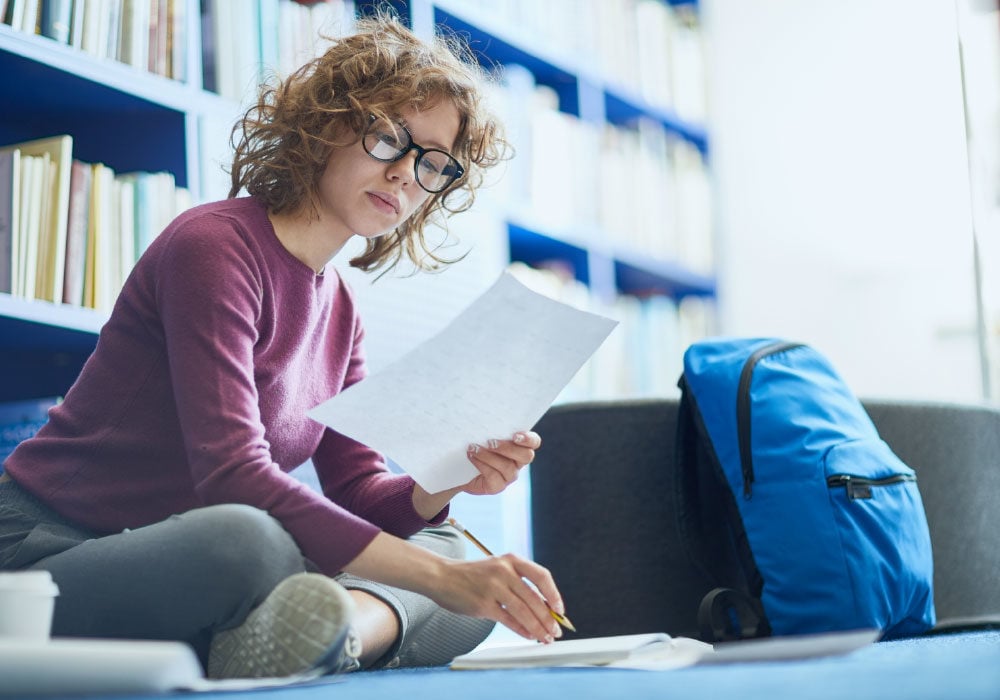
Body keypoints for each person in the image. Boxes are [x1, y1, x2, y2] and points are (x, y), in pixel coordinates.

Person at [0, 12, 566, 679]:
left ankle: (333, 634)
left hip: (182, 566)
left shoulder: (341, 306)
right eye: (389, 138)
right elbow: (232, 477)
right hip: (47, 557)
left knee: (455, 553)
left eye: (433, 164)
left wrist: (443, 482)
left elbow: (356, 488)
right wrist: (437, 581)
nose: (406, 176)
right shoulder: (213, 247)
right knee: (252, 540)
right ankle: (309, 633)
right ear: (328, 123)